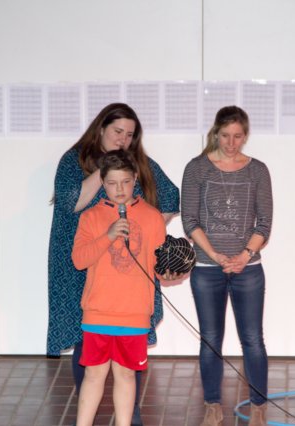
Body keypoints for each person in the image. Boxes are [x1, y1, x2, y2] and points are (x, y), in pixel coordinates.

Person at [47, 103, 180, 424]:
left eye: (130, 135)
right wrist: (105, 169)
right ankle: (87, 414)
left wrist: (148, 231)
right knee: (86, 344)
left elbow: (171, 197)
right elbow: (70, 203)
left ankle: (129, 417)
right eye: (118, 131)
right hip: (79, 260)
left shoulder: (140, 163)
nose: (123, 139)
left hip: (127, 274)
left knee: (126, 361)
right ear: (101, 128)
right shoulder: (74, 159)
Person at [181, 106, 273, 426]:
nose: (231, 143)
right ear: (215, 133)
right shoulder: (197, 168)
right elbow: (189, 220)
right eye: (225, 136)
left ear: (245, 136)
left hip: (248, 269)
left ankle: (258, 407)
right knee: (210, 339)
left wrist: (244, 255)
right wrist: (216, 255)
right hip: (208, 269)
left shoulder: (257, 170)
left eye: (238, 136)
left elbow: (265, 223)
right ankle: (212, 405)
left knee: (253, 339)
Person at [72, 149, 167, 426]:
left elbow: (158, 265)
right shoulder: (90, 217)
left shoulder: (152, 217)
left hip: (134, 312)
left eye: (125, 182)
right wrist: (109, 235)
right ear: (102, 182)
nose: (120, 189)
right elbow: (79, 260)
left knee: (126, 375)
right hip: (98, 311)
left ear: (135, 178)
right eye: (112, 183)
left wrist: (171, 268)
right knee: (94, 374)